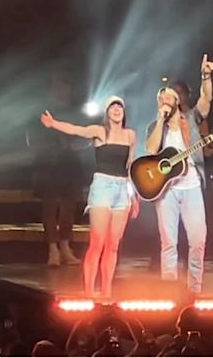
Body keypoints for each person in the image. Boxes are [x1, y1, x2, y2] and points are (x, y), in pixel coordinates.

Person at [40, 96, 139, 298]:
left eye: (120, 106)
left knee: (113, 245)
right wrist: (54, 124)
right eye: (113, 106)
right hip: (102, 186)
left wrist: (133, 196)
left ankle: (106, 291)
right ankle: (88, 291)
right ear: (107, 112)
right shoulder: (99, 131)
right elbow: (76, 129)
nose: (117, 109)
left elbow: (131, 168)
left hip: (122, 189)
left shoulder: (130, 135)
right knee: (98, 242)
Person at [145, 54, 213, 298]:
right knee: (169, 243)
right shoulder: (155, 126)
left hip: (192, 186)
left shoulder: (191, 120)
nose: (165, 100)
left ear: (177, 100)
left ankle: (195, 290)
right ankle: (169, 291)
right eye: (161, 98)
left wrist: (205, 76)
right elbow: (152, 150)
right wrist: (159, 118)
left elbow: (206, 100)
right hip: (165, 190)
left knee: (198, 241)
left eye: (169, 97)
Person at [29, 70, 85, 267]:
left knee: (68, 207)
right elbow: (33, 139)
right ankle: (52, 249)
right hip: (48, 164)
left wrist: (78, 146)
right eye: (59, 84)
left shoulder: (76, 111)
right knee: (50, 207)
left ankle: (65, 247)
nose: (62, 88)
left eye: (66, 84)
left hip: (69, 164)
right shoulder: (43, 110)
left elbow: (84, 135)